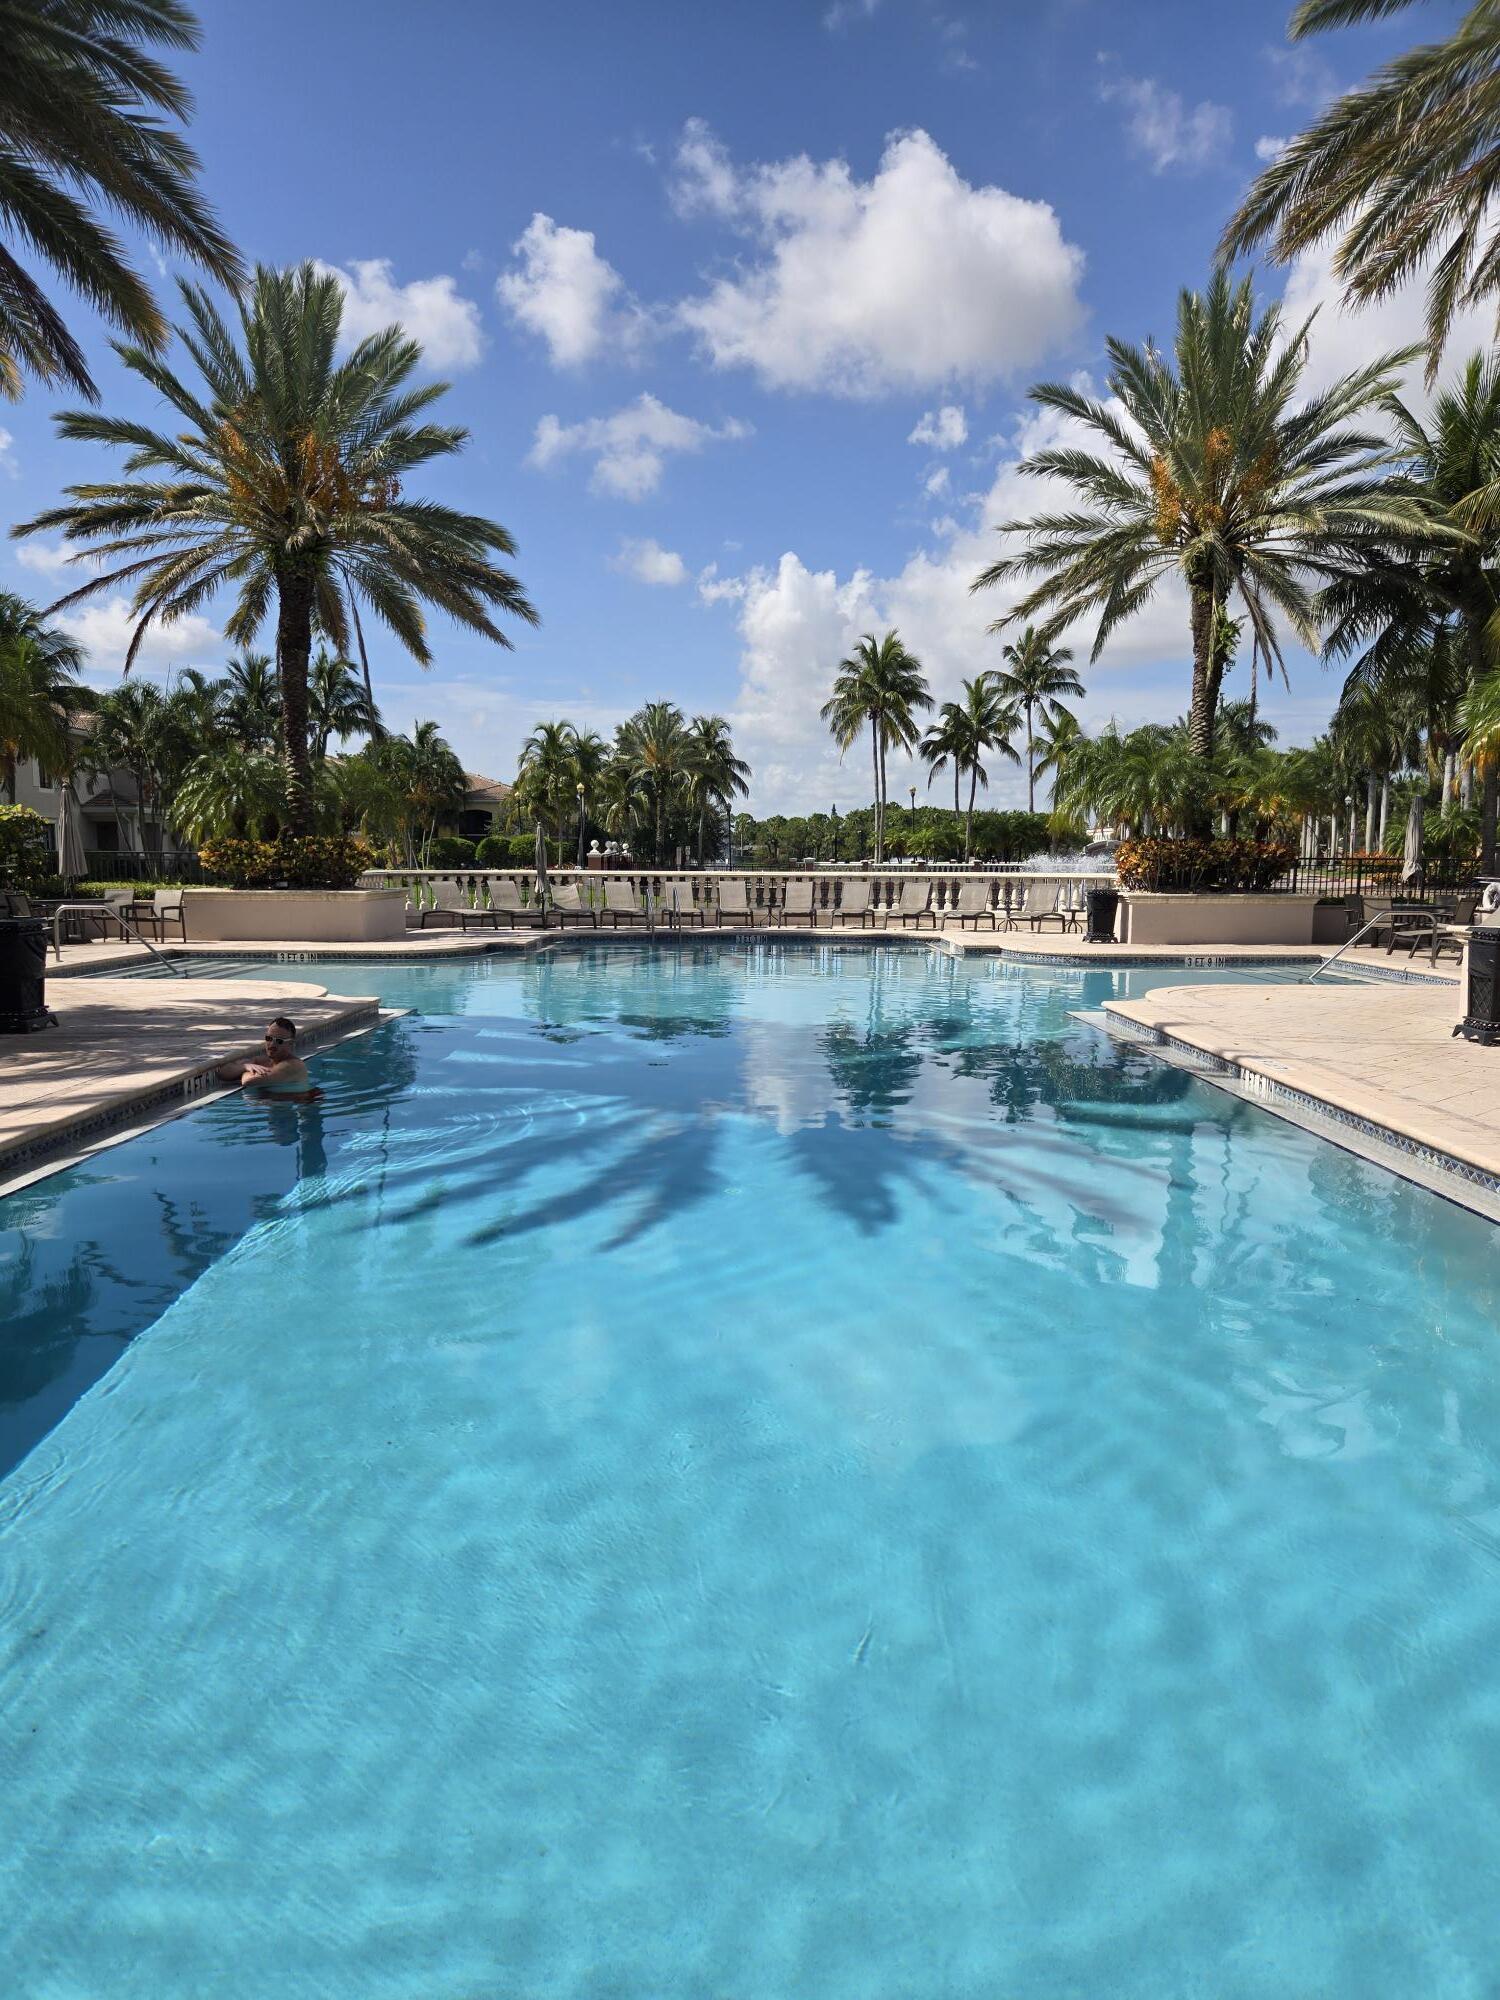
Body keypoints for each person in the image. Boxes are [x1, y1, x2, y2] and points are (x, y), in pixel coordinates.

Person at [218, 1017, 320, 1100]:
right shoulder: (263, 1061)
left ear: (290, 1043)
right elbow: (222, 1073)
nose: (272, 1044)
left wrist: (243, 1070)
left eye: (279, 1041)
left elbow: (249, 1082)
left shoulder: (293, 1065)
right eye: (269, 1038)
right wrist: (246, 1066)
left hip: (300, 1106)